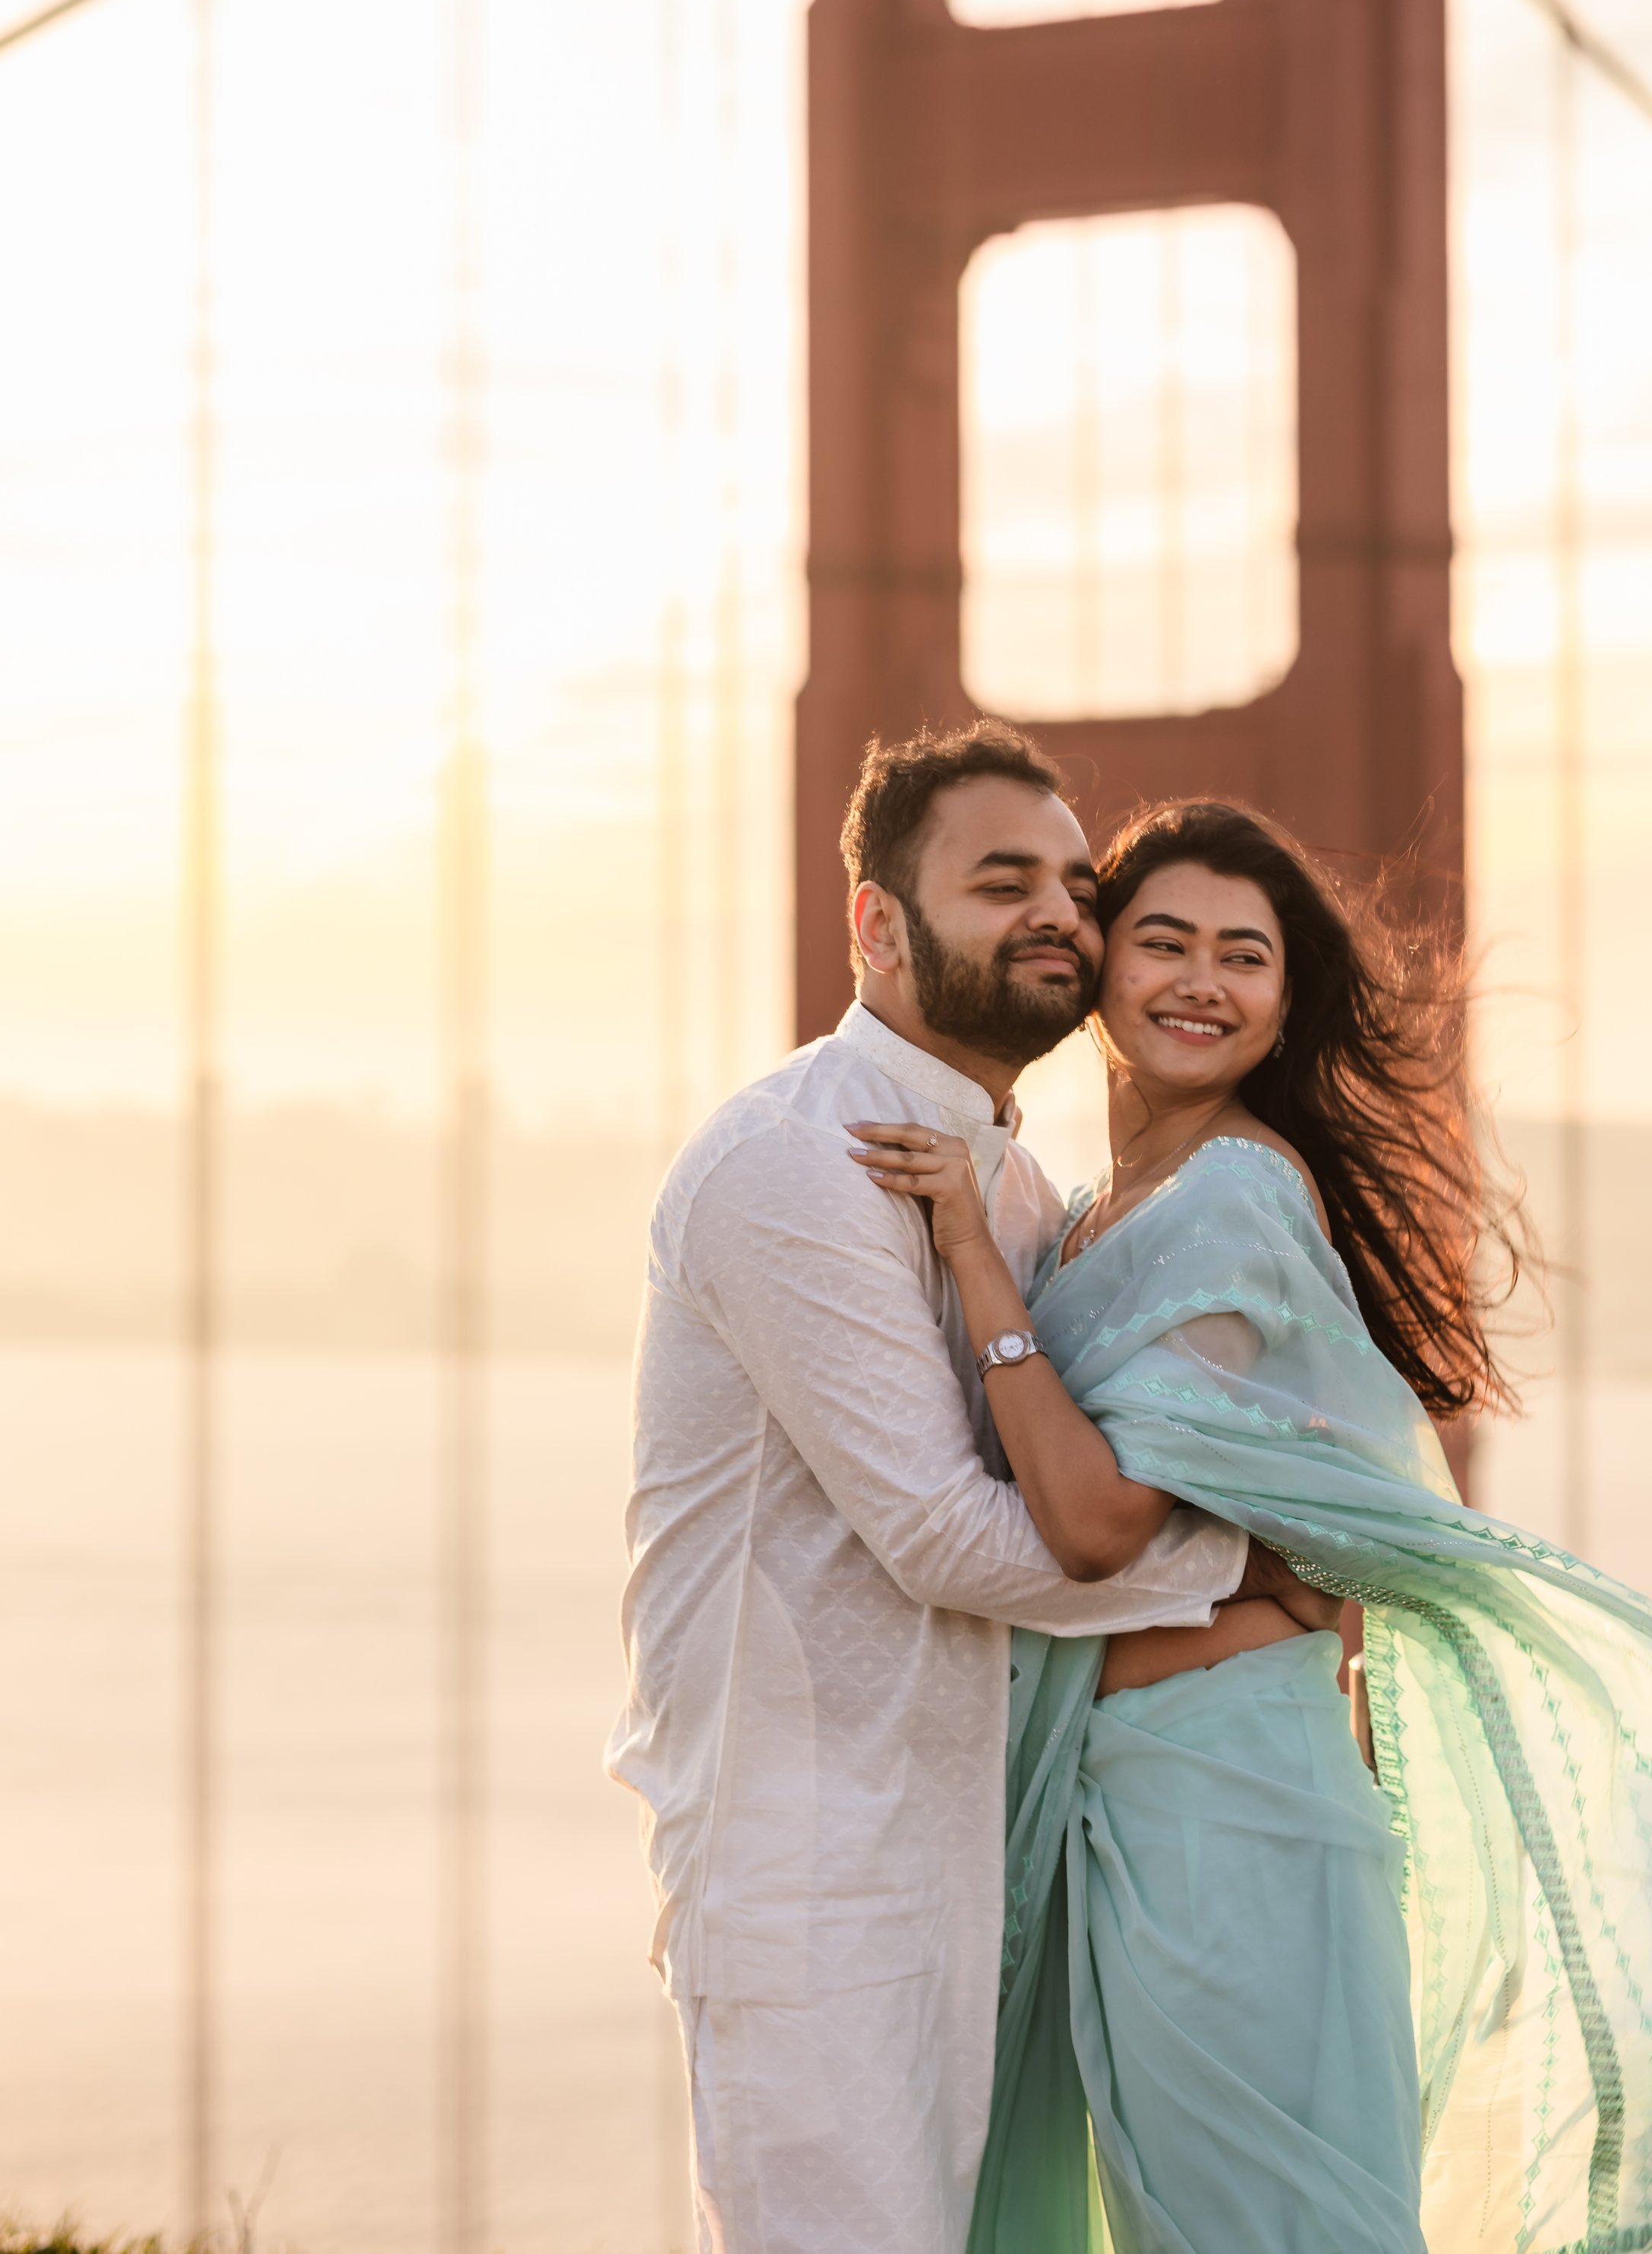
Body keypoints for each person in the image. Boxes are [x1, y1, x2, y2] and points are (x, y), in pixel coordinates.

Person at [853, 798, 1652, 2254]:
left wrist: (968, 1271)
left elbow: (1092, 1521)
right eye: (1164, 943)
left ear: (1284, 999)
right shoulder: (1099, 1212)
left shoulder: (1236, 1196)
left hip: (1227, 1796)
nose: (1200, 981)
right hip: (1141, 1792)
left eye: (1243, 958)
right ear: (1099, 973)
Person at [607, 728, 1323, 2254]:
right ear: (874, 923)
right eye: (1003, 881)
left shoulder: (1008, 1187)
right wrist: (1241, 1575)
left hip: (972, 1846)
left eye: (1076, 882)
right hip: (814, 1871)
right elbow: (941, 1530)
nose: (1060, 913)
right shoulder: (794, 1163)